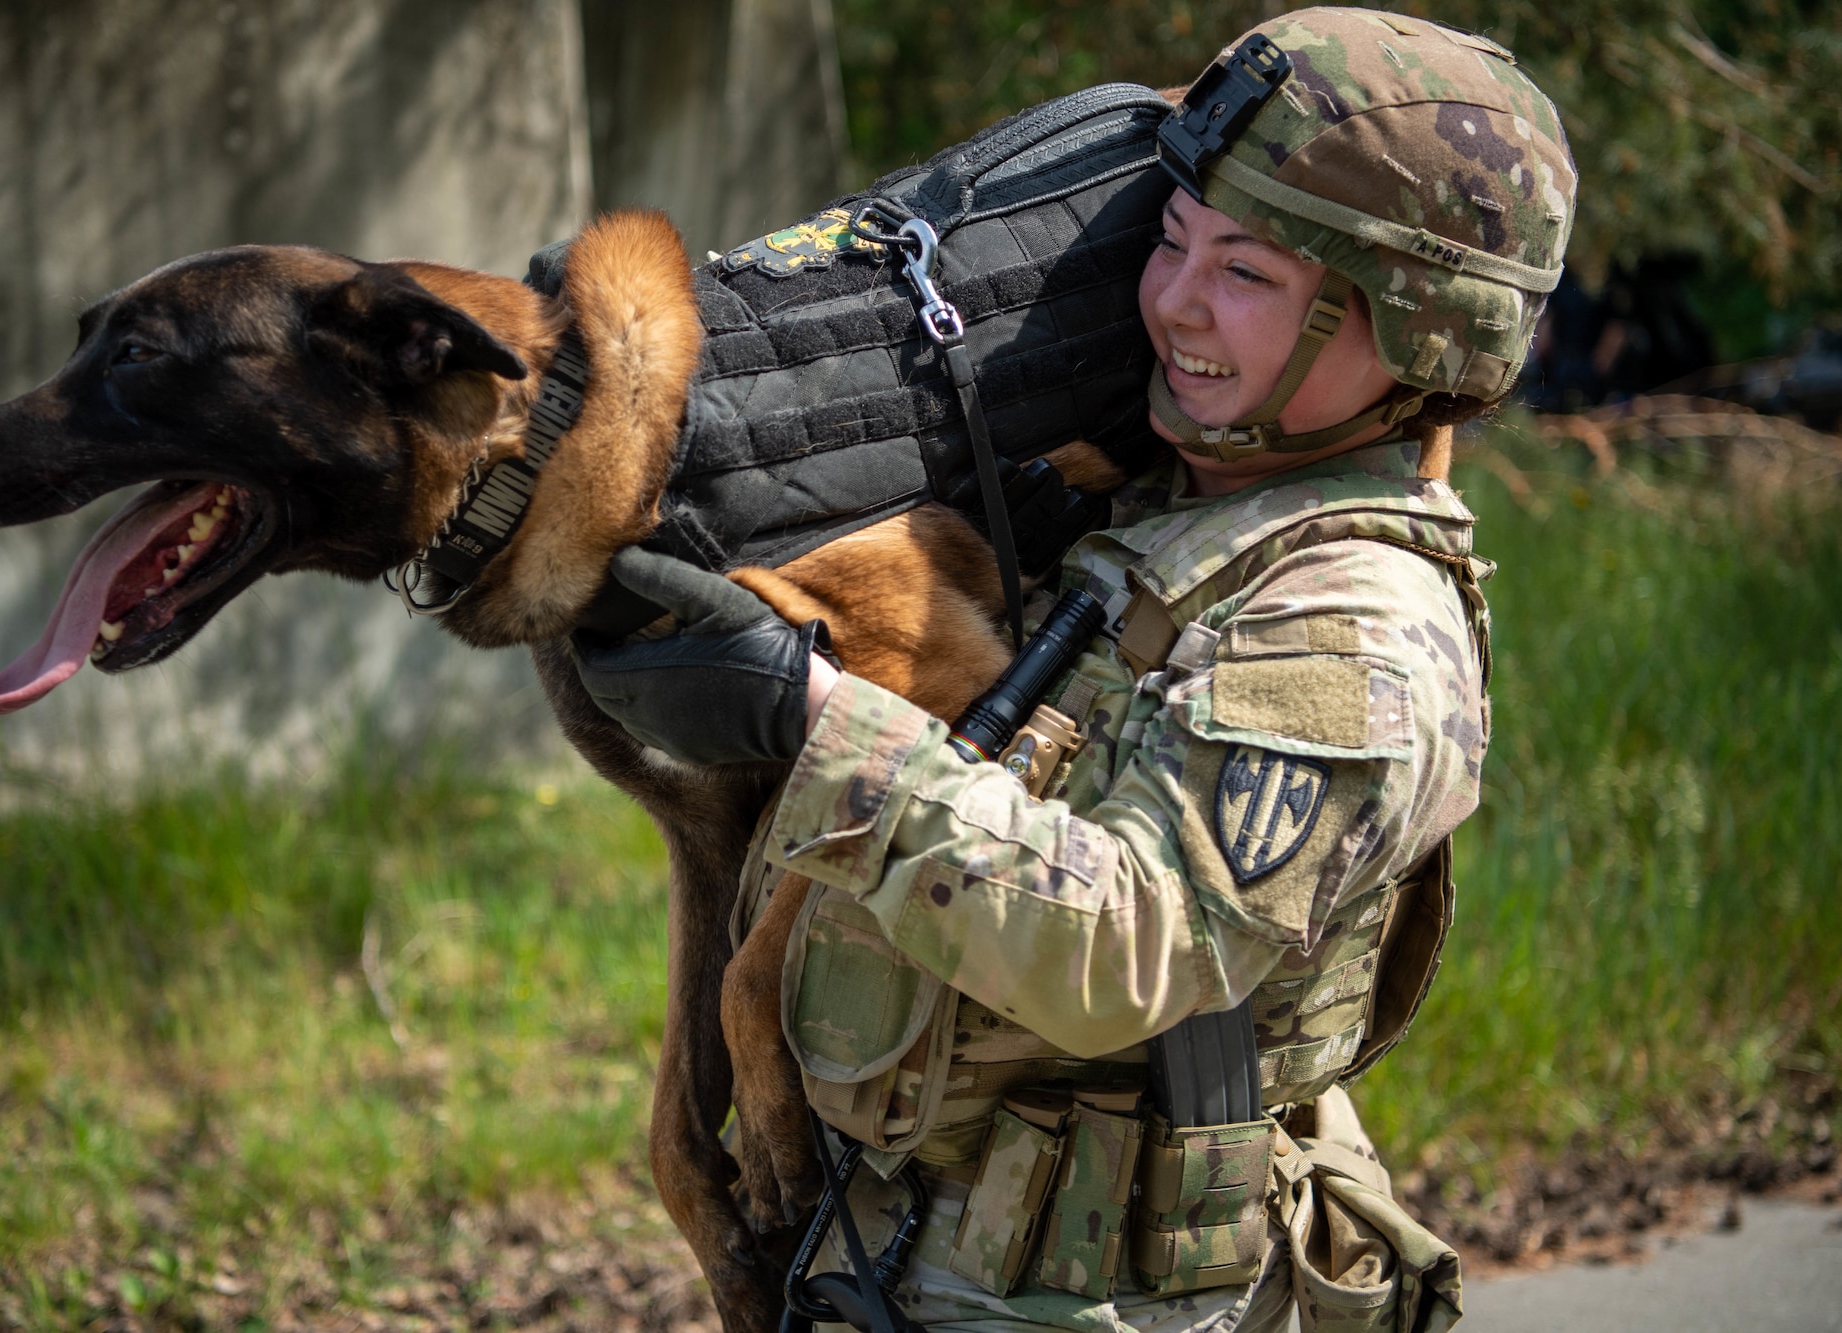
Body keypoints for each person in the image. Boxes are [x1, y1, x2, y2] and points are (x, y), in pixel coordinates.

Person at [576, 9, 1576, 1330]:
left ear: (1418, 332)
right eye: (1173, 239)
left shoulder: (1356, 628)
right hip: (907, 1261)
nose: (1172, 302)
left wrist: (820, 712)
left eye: (1250, 276)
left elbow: (1118, 947)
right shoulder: (1164, 512)